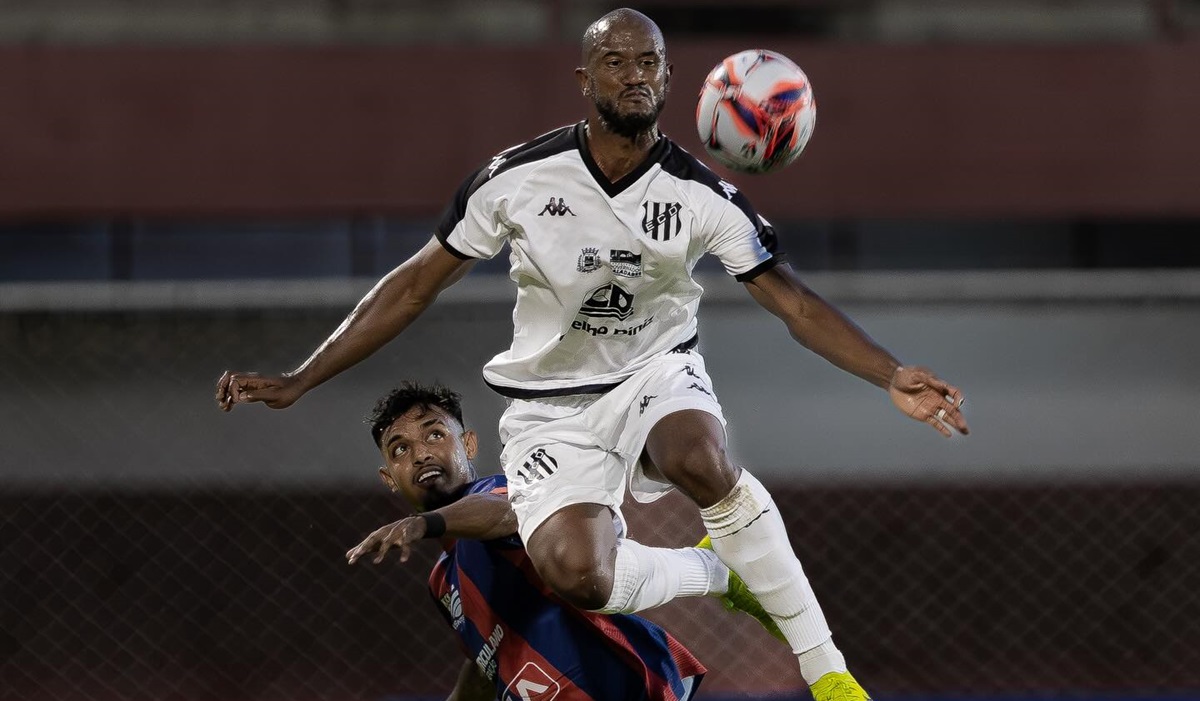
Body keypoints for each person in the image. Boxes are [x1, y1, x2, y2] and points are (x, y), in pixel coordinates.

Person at [217, 8, 969, 700]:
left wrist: (890, 373)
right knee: (578, 574)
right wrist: (301, 377)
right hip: (551, 406)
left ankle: (829, 673)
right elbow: (413, 285)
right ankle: (717, 568)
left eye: (649, 62)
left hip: (654, 370)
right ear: (585, 80)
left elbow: (794, 301)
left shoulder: (703, 195)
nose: (634, 73)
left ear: (671, 81)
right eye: (615, 61)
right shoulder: (516, 178)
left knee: (698, 456)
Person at [346, 382, 709, 700]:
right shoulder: (442, 582)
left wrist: (422, 524)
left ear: (468, 444)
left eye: (435, 435)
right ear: (389, 478)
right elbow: (488, 660)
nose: (421, 453)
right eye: (400, 450)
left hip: (625, 687)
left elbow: (508, 512)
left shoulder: (505, 491)